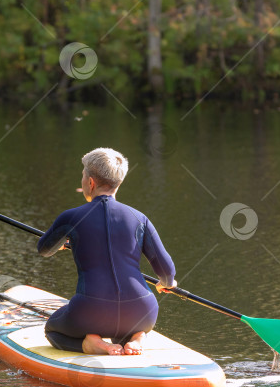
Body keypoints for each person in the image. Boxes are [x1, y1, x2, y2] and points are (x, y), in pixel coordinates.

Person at [37, 148, 177, 356]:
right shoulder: (140, 218)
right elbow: (166, 271)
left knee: (52, 330)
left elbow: (44, 249)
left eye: (83, 175)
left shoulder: (71, 217)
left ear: (91, 182)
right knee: (128, 322)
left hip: (90, 312)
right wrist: (168, 283)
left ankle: (90, 344)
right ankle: (137, 337)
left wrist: (66, 241)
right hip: (143, 313)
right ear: (118, 182)